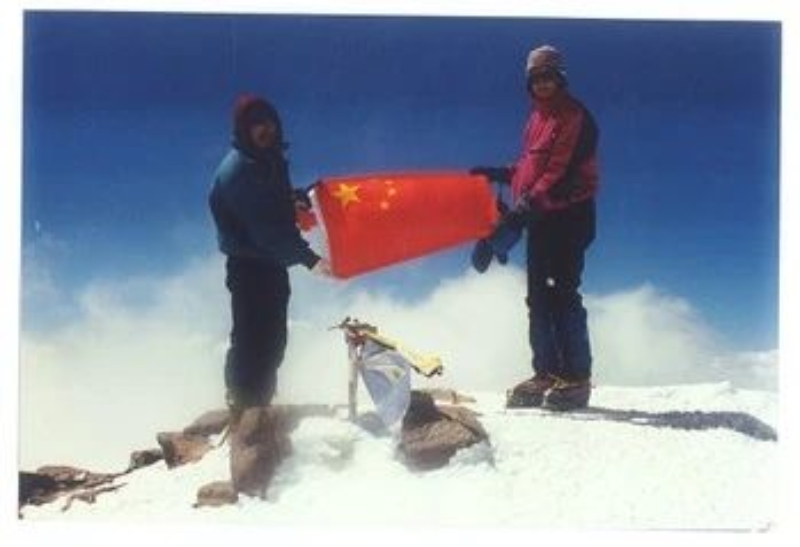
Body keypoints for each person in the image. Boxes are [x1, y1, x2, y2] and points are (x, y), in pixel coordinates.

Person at [471, 45, 599, 411]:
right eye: (536, 78)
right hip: (541, 217)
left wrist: (521, 210)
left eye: (548, 77)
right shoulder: (536, 119)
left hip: (569, 216)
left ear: (560, 79)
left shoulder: (574, 117)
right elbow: (530, 168)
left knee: (562, 294)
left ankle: (576, 378)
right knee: (538, 297)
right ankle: (546, 372)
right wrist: (502, 174)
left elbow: (559, 174)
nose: (542, 84)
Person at [209, 93, 332, 415]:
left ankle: (260, 405)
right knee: (251, 338)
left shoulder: (266, 159)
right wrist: (310, 260)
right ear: (244, 129)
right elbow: (266, 230)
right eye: (256, 124)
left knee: (273, 339)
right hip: (249, 267)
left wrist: (295, 198)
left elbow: (271, 200)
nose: (266, 130)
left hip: (271, 263)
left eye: (269, 122)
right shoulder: (239, 170)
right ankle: (243, 406)